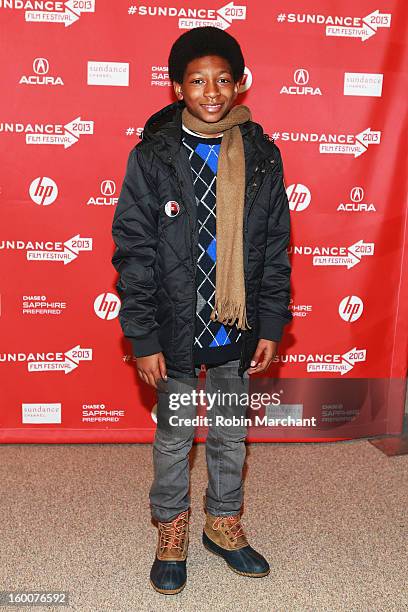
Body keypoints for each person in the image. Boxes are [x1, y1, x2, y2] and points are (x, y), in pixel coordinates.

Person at [111, 26, 293, 595]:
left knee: (231, 432)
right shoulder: (153, 156)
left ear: (240, 85)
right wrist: (142, 336)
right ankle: (171, 528)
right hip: (175, 324)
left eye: (222, 79)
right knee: (174, 434)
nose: (211, 91)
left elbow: (275, 244)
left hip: (235, 324)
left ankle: (224, 523)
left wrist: (270, 322)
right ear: (176, 88)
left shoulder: (262, 155)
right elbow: (134, 250)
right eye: (197, 80)